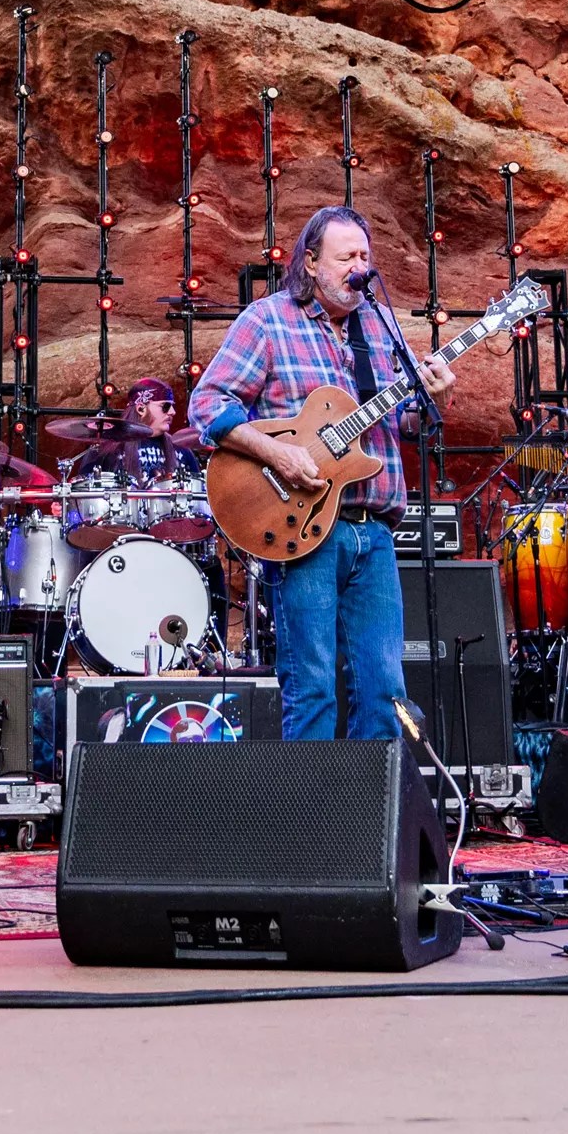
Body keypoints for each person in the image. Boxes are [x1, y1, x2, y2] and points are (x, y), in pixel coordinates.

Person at [191, 207, 454, 741]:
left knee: (384, 690)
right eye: (346, 257)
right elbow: (208, 404)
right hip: (304, 528)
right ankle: (311, 822)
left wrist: (431, 402)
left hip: (374, 529)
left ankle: (368, 820)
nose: (359, 267)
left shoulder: (379, 330)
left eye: (364, 257)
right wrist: (277, 455)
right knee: (312, 688)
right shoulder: (268, 320)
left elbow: (401, 429)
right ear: (311, 263)